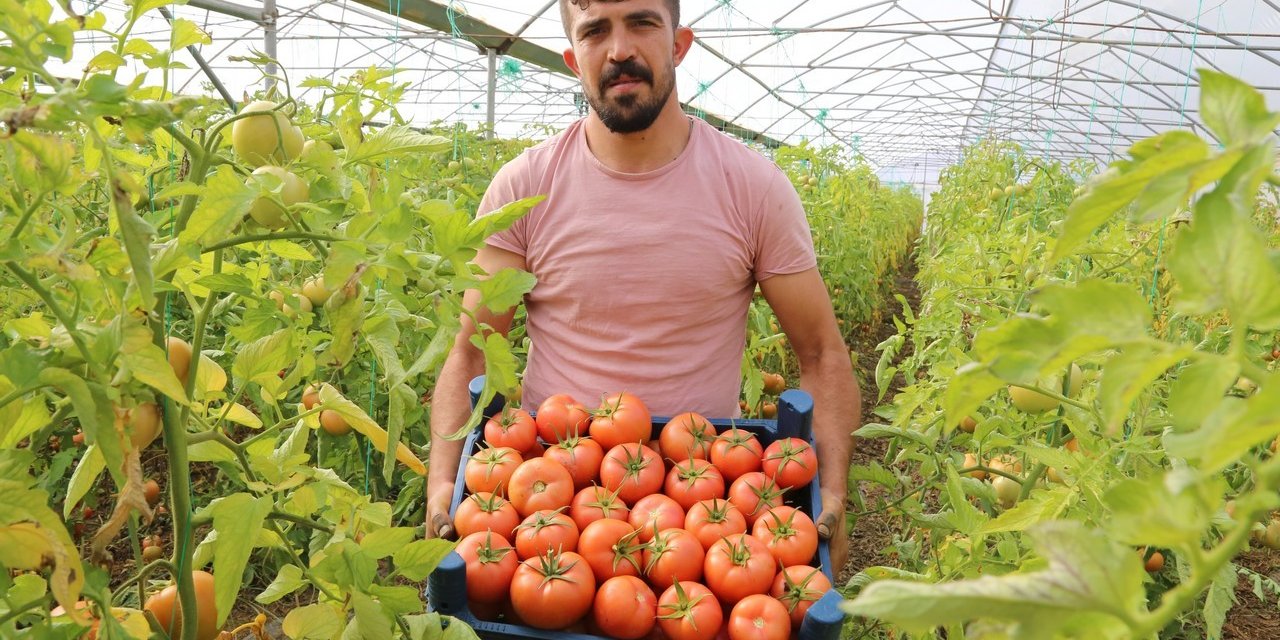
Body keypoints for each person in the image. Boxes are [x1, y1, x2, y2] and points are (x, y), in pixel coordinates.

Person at [425, 0, 857, 571]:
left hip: (704, 505)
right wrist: (442, 485)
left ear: (679, 44)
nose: (619, 48)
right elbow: (471, 353)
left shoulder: (753, 187)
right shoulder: (525, 187)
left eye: (642, 22)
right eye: (595, 30)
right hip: (550, 503)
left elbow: (822, 353)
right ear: (573, 60)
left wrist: (834, 493)